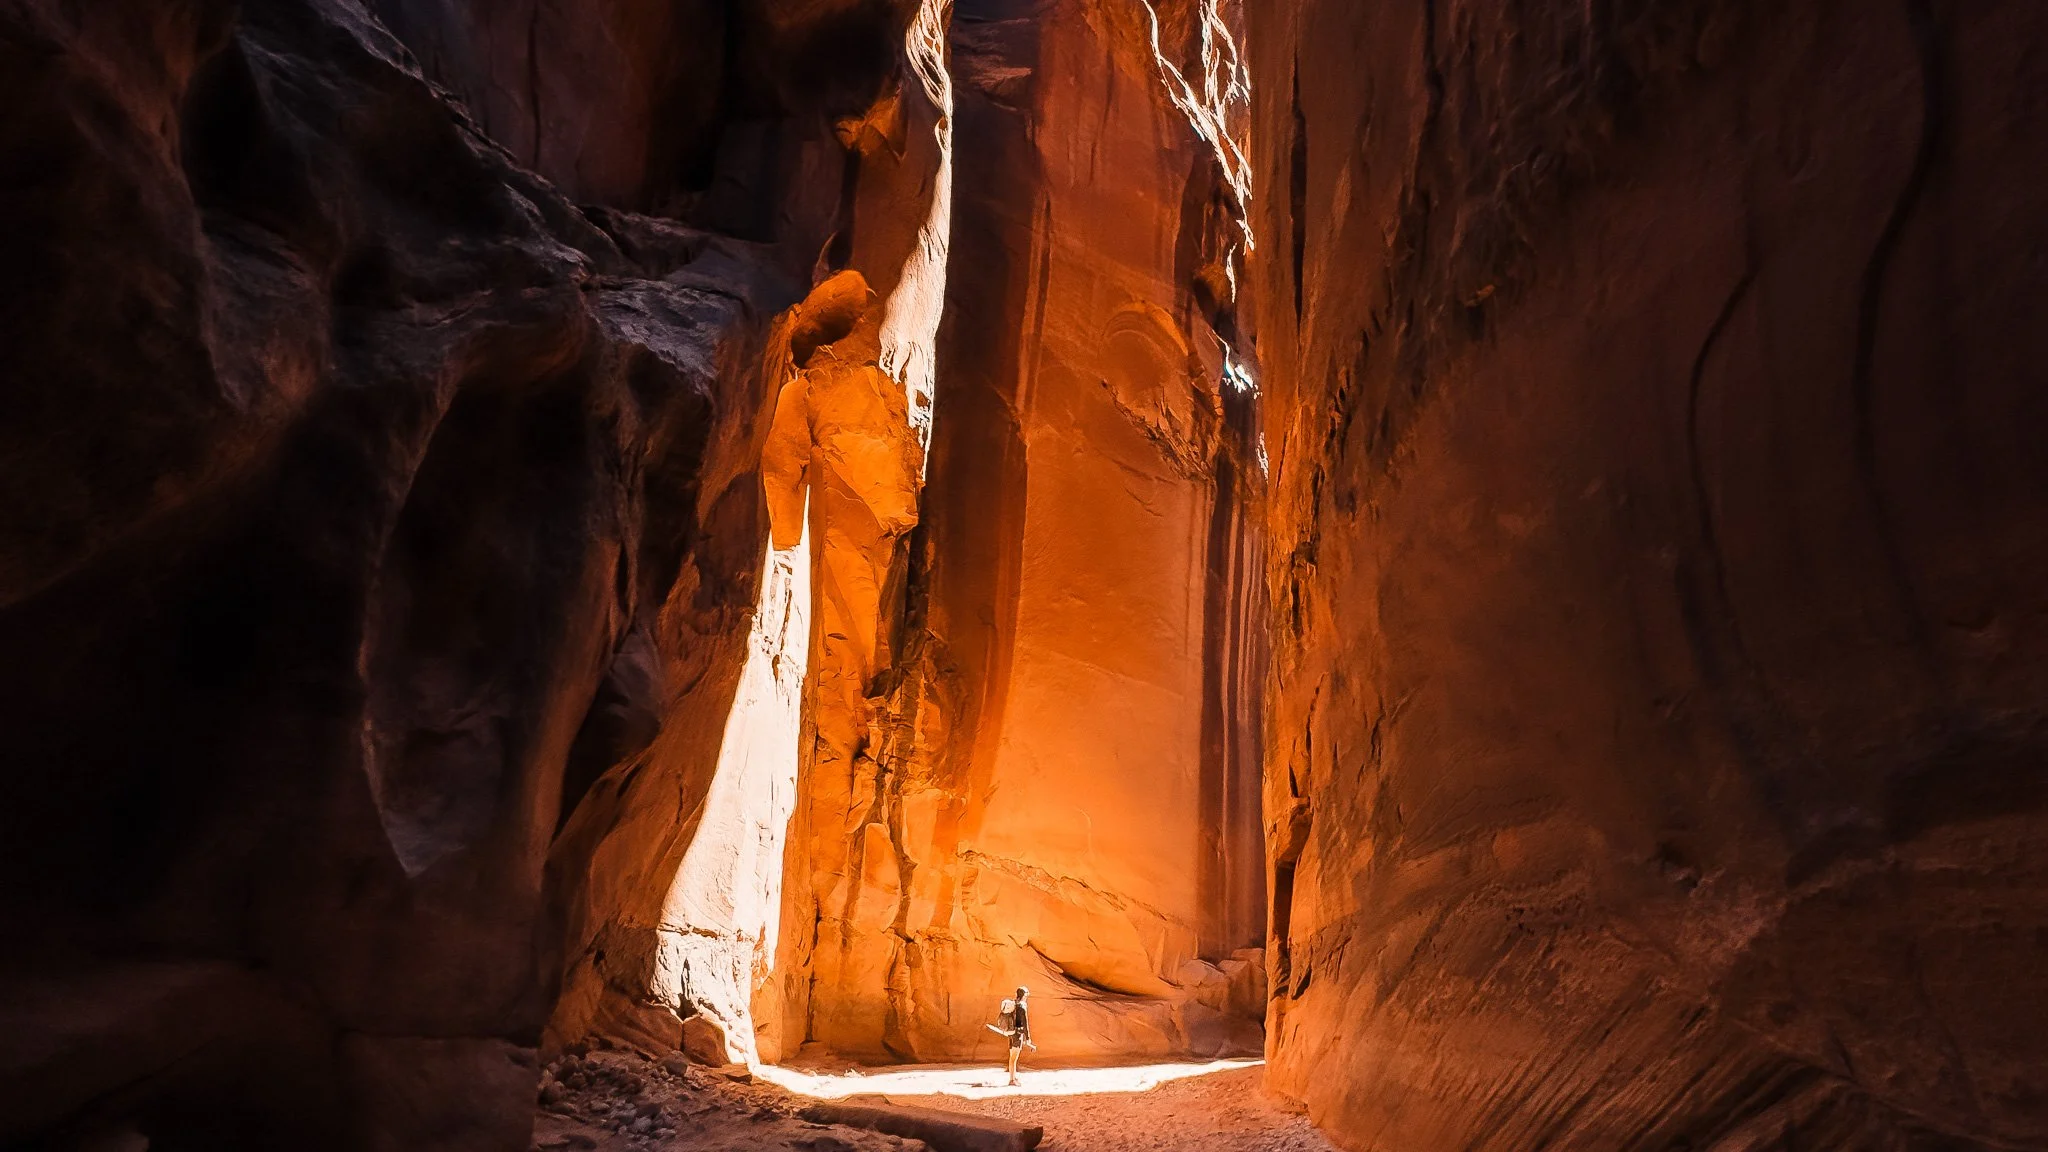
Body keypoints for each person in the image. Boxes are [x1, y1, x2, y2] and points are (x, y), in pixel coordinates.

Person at [1002, 986, 1033, 1086]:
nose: (1027, 996)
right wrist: (1027, 1037)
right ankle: (1012, 1080)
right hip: (1017, 1035)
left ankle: (1013, 1077)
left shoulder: (1014, 1004)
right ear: (1023, 995)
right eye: (1026, 994)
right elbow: (1024, 1023)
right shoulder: (1022, 1006)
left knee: (1012, 1057)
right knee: (1013, 1058)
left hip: (1011, 1034)